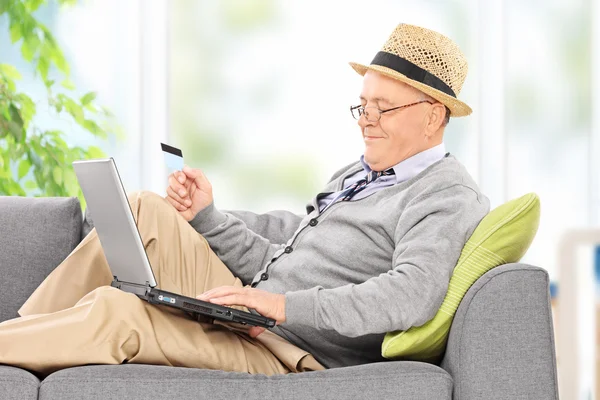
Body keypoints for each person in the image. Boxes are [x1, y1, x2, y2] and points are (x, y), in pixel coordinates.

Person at [0, 23, 489, 376]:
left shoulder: (446, 194)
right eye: (363, 104)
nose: (365, 119)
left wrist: (279, 306)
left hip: (290, 350)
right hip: (256, 317)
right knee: (145, 206)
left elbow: (409, 296)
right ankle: (24, 337)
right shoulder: (358, 174)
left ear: (433, 117)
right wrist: (206, 219)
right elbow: (277, 262)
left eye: (384, 108)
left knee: (118, 312)